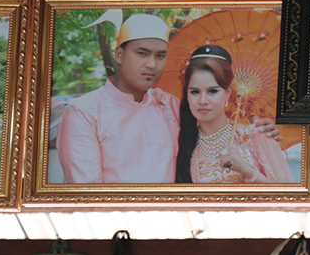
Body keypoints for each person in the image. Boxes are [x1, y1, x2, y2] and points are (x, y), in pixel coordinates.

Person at [56, 13, 181, 184]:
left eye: (160, 56)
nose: (152, 64)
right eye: (142, 53)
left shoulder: (171, 105)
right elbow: (87, 192)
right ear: (119, 55)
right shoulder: (84, 111)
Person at [174, 45, 291, 184]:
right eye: (195, 92)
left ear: (228, 93)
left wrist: (247, 170)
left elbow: (286, 197)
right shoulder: (180, 143)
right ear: (186, 94)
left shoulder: (254, 135)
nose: (203, 101)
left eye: (212, 91)